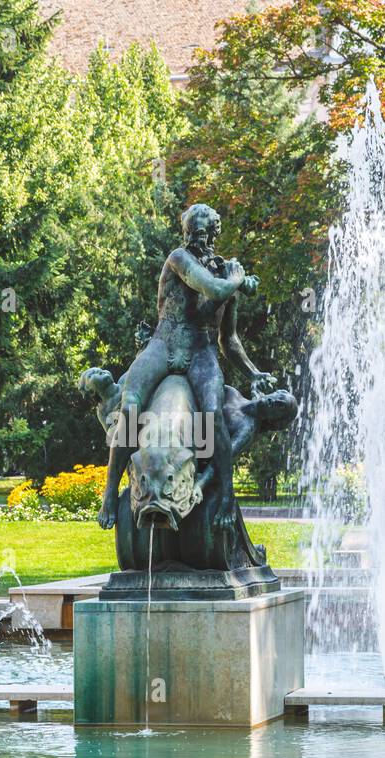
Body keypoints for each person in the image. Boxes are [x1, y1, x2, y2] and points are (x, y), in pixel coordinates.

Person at [97, 204, 267, 532]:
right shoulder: (180, 259)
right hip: (164, 343)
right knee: (130, 407)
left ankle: (224, 494)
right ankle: (109, 493)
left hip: (201, 350)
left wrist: (254, 373)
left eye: (202, 233)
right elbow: (215, 289)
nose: (195, 238)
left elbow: (228, 340)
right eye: (191, 232)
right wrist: (237, 279)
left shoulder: (225, 273)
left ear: (214, 234)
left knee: (213, 413)